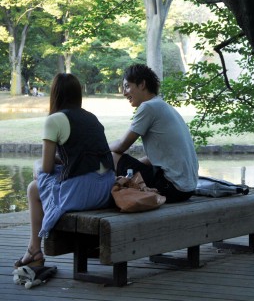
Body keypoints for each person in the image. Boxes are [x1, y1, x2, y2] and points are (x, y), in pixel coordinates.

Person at [14, 73, 115, 268]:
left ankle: (35, 250)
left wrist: (37, 166)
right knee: (42, 180)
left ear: (55, 94)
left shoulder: (55, 120)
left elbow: (46, 167)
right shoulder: (91, 117)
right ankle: (33, 249)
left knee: (33, 187)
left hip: (84, 193)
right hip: (107, 189)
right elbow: (83, 155)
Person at [109, 63, 199, 203]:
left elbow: (121, 146)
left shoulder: (148, 107)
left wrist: (100, 148)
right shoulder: (163, 106)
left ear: (142, 84)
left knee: (113, 156)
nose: (124, 93)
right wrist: (133, 167)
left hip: (171, 188)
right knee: (128, 164)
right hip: (186, 190)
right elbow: (159, 156)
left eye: (127, 86)